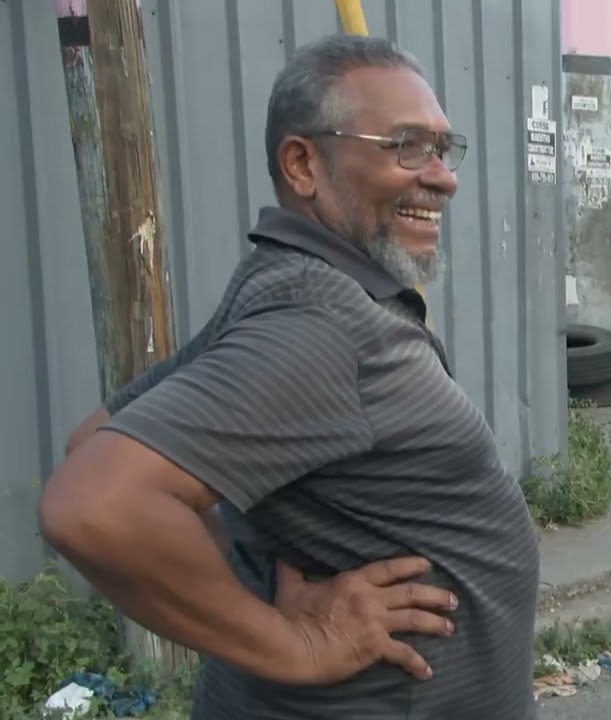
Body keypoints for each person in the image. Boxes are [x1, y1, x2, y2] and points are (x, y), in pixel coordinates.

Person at [38, 34, 539, 720]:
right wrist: (295, 643)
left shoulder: (290, 287)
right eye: (406, 147)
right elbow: (92, 502)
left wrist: (249, 583)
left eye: (444, 149)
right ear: (303, 164)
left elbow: (91, 438)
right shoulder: (323, 319)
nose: (443, 176)